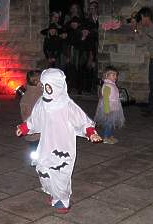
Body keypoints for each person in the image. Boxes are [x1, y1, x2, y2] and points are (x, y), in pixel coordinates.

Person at [16, 68, 102, 214]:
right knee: (43, 168)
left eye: (47, 87)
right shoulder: (42, 103)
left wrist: (90, 132)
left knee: (60, 171)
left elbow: (82, 121)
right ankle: (54, 194)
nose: (44, 90)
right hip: (46, 144)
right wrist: (25, 127)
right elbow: (35, 119)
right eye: (43, 86)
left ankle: (62, 200)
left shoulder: (67, 106)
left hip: (62, 146)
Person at [94, 66, 125, 144]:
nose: (115, 77)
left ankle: (110, 136)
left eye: (116, 75)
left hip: (113, 106)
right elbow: (106, 99)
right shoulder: (107, 85)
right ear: (107, 75)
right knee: (108, 123)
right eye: (113, 75)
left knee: (111, 122)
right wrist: (107, 109)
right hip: (108, 107)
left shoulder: (112, 84)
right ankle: (105, 137)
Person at [19, 70, 42, 166]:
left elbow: (24, 114)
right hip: (39, 129)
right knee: (40, 146)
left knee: (33, 147)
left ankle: (35, 158)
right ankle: (39, 159)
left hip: (29, 129)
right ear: (38, 82)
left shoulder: (26, 96)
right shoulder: (40, 95)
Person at [77, 24, 96, 94]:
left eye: (86, 31)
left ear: (88, 32)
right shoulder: (79, 39)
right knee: (80, 74)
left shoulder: (91, 40)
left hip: (89, 59)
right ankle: (80, 89)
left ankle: (88, 89)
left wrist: (93, 60)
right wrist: (82, 40)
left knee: (88, 74)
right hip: (80, 59)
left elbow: (93, 50)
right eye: (83, 31)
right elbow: (77, 48)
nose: (85, 32)